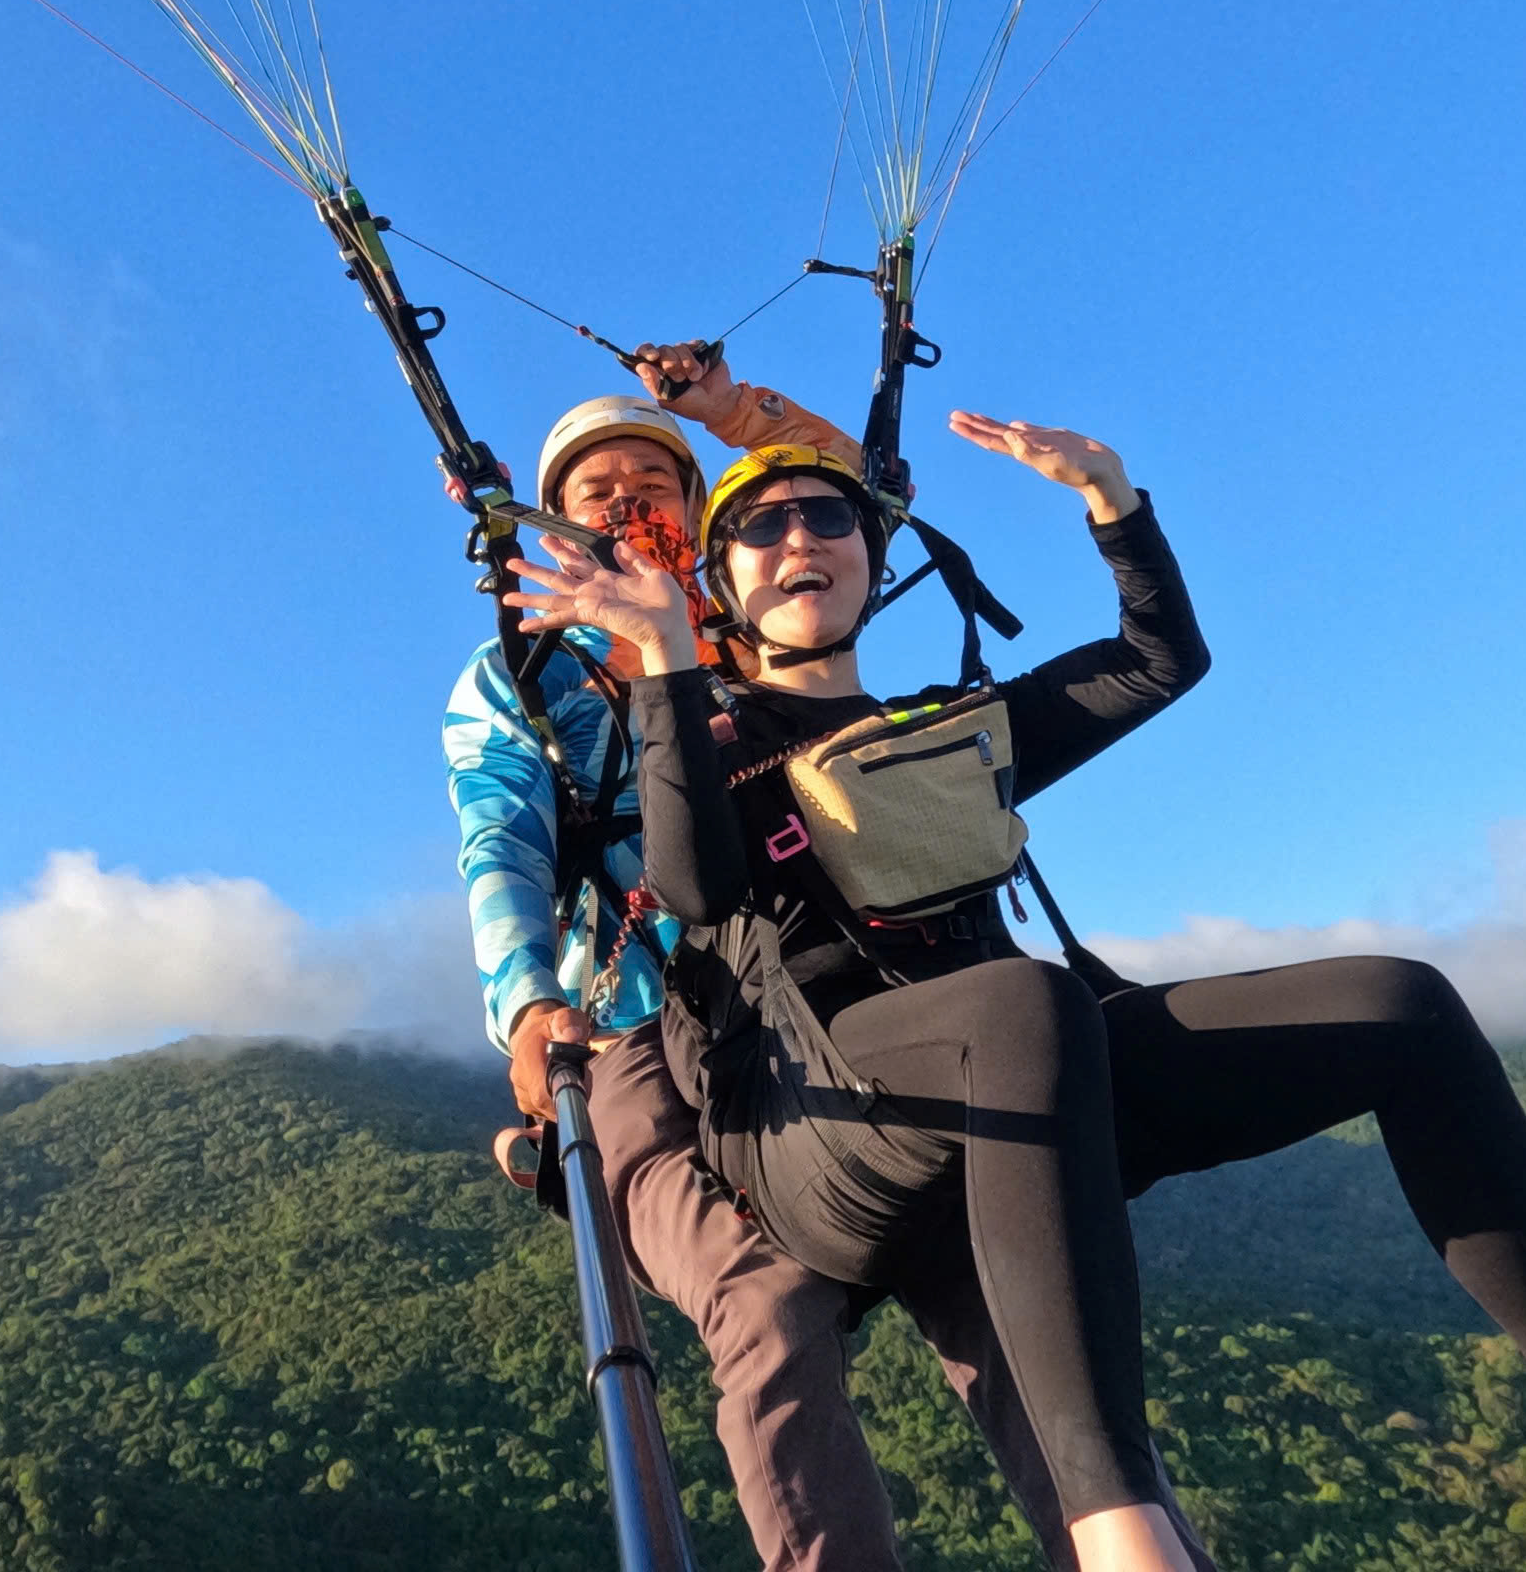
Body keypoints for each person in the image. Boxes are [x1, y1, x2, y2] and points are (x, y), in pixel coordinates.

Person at [506, 416, 1526, 1572]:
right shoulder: (711, 746)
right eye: (760, 528)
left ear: (867, 553)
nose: (800, 538)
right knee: (1023, 1000)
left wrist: (1112, 502)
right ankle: (1127, 1548)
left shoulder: (957, 733)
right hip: (819, 1135)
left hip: (1011, 1090)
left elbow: (1156, 658)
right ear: (721, 582)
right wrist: (666, 659)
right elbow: (689, 878)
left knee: (1400, 1007)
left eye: (826, 515)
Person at [447, 355, 1206, 1572]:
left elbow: (841, 504)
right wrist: (527, 1000)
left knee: (1003, 1284)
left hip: (810, 1007)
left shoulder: (745, 641)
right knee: (767, 1302)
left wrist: (733, 411)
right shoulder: (519, 681)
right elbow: (502, 835)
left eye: (654, 479)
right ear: (554, 520)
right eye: (598, 489)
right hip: (640, 1017)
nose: (626, 499)